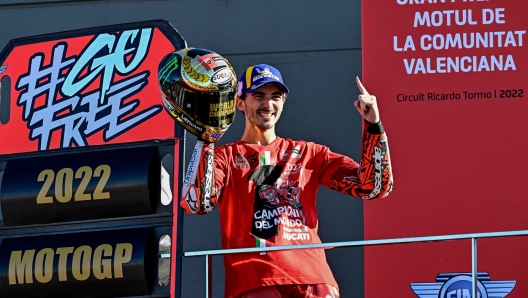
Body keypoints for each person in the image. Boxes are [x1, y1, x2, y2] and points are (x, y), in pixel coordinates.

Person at [180, 64, 393, 298]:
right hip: (255, 281)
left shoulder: (309, 153)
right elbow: (196, 204)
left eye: (276, 97)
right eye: (258, 96)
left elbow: (373, 187)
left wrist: (373, 124)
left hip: (315, 278)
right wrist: (207, 138)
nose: (268, 104)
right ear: (240, 103)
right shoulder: (224, 157)